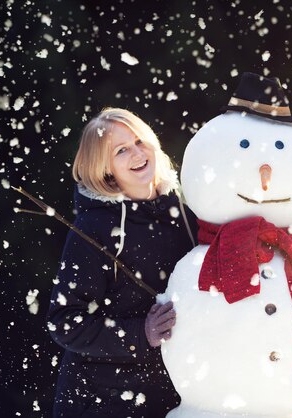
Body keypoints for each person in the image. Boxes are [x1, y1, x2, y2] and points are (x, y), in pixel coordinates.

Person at [46, 108, 197, 417]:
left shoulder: (185, 215)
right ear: (105, 169)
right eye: (121, 150)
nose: (137, 153)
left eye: (140, 141)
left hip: (172, 396)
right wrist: (141, 333)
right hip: (103, 401)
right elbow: (65, 322)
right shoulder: (94, 228)